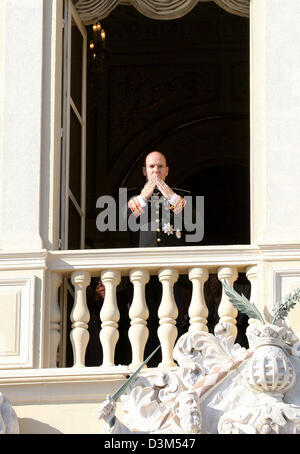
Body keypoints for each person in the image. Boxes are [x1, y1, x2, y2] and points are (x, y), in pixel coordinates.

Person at [127, 151, 191, 247]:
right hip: (142, 257)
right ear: (144, 171)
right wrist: (142, 198)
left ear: (166, 171)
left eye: (160, 166)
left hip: (173, 257)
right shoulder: (131, 195)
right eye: (151, 166)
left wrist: (172, 197)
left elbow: (193, 221)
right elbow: (120, 221)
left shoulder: (180, 195)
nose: (156, 170)